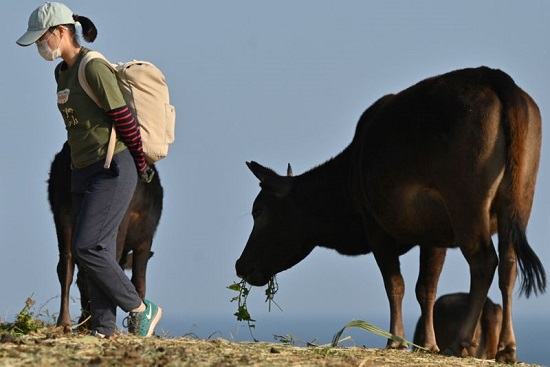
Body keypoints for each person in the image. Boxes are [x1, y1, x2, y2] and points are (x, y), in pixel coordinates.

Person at [16, 2, 162, 338]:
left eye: (42, 38)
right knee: (103, 249)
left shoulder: (93, 66)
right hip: (81, 169)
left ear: (61, 32)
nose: (40, 46)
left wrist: (139, 162)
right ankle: (103, 328)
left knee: (86, 246)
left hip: (112, 166)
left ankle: (141, 309)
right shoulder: (61, 72)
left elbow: (123, 116)